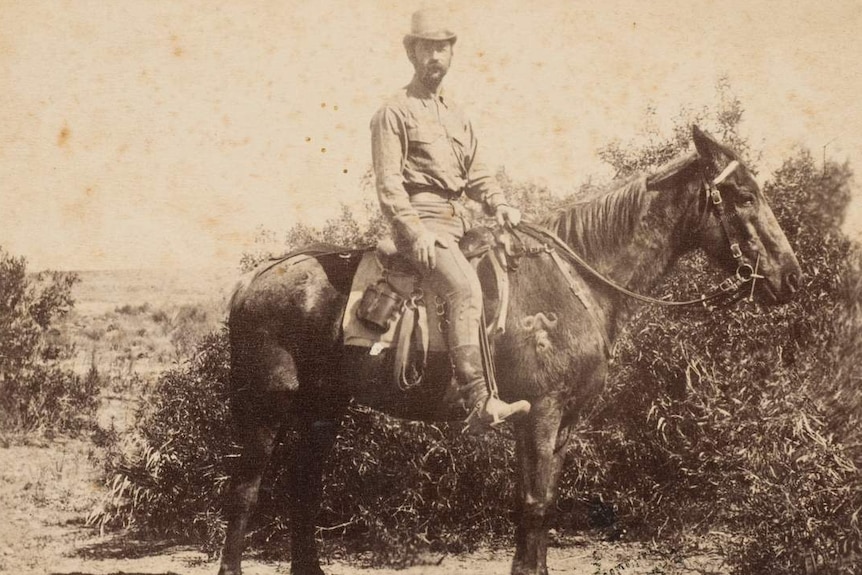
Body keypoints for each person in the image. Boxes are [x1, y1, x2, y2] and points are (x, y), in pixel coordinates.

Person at [370, 8, 531, 430]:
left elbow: (478, 174)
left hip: (461, 223)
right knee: (465, 289)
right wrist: (414, 230)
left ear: (452, 53)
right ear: (412, 52)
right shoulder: (393, 112)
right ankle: (479, 400)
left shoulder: (458, 115)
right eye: (427, 48)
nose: (435, 57)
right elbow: (388, 184)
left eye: (443, 48)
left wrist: (498, 203)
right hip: (422, 223)